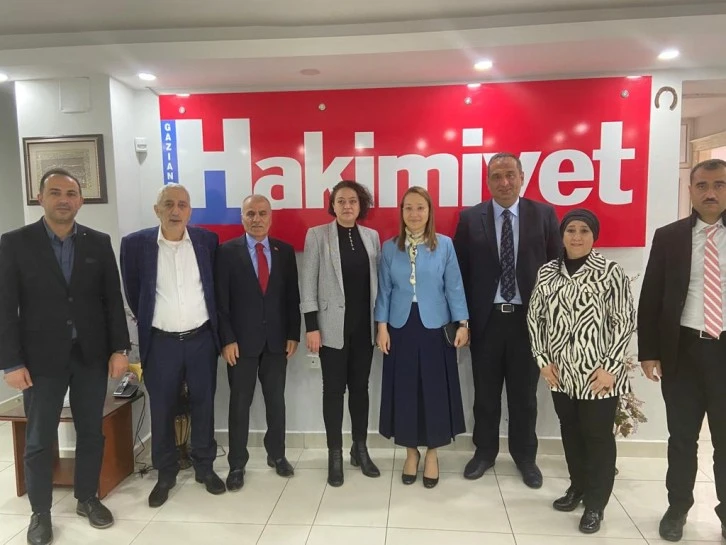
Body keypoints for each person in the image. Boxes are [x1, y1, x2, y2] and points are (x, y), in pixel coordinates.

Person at [0, 169, 130, 545]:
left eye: (71, 194)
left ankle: (87, 497)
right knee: (40, 438)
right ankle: (40, 513)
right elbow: (5, 307)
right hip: (39, 361)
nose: (63, 200)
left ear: (80, 201)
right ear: (40, 198)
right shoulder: (15, 243)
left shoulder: (98, 242)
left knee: (91, 432)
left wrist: (120, 349)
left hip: (91, 356)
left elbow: (112, 301)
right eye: (55, 192)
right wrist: (11, 362)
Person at [454, 152, 560, 487]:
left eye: (510, 175)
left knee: (524, 396)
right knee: (485, 394)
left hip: (527, 323)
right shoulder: (470, 218)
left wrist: (552, 323)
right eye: (497, 176)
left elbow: (556, 268)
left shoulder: (543, 215)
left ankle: (525, 457)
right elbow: (459, 274)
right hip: (486, 321)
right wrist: (462, 322)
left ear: (522, 177)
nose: (504, 182)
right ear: (487, 181)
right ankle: (484, 452)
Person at [528, 209, 635, 534]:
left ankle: (596, 503)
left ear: (594, 236)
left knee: (597, 436)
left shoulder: (610, 272)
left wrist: (611, 368)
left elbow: (624, 321)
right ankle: (577, 486)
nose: (576, 236)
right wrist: (542, 360)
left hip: (598, 375)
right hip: (560, 374)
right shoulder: (547, 272)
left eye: (584, 230)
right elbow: (535, 318)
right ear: (562, 235)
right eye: (571, 230)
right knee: (571, 431)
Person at [120, 183, 224, 507]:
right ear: (157, 210)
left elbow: (214, 289)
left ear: (190, 211)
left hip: (201, 340)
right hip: (161, 342)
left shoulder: (207, 242)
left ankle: (205, 467)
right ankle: (165, 474)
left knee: (204, 404)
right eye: (168, 204)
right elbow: (134, 294)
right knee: (162, 408)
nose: (175, 210)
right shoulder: (135, 244)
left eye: (182, 204)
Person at [638, 158, 726, 542]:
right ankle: (677, 507)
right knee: (682, 439)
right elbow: (651, 297)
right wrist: (648, 351)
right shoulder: (670, 236)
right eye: (702, 185)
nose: (711, 193)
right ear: (690, 190)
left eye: (719, 185)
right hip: (683, 352)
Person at [375, 186, 468, 489]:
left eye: (420, 208)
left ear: (429, 212)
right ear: (401, 212)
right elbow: (384, 290)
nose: (414, 214)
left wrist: (463, 323)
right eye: (409, 208)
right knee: (405, 391)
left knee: (435, 391)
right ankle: (410, 452)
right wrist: (381, 326)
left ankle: (432, 453)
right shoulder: (390, 248)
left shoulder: (445, 245)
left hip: (435, 327)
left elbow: (454, 286)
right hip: (400, 327)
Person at [216, 194, 301, 491]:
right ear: (242, 218)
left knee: (276, 402)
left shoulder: (284, 251)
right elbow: (221, 303)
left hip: (277, 342)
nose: (257, 219)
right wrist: (227, 339)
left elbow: (292, 296)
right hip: (240, 345)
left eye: (262, 213)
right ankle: (237, 464)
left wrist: (293, 334)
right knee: (239, 405)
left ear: (271, 217)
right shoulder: (226, 252)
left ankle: (277, 455)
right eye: (250, 213)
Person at [300, 180, 381, 487]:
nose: (347, 206)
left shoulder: (371, 237)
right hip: (331, 328)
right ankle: (334, 455)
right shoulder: (317, 235)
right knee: (333, 392)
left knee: (360, 390)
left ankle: (360, 449)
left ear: (361, 205)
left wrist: (380, 324)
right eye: (341, 201)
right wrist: (311, 327)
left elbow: (377, 284)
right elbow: (308, 283)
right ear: (332, 205)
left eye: (353, 201)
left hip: (364, 329)